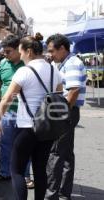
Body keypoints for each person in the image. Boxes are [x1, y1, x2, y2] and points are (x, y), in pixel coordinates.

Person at [0, 33, 63, 200]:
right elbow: (59, 96)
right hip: (47, 129)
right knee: (40, 170)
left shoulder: (24, 72)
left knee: (16, 170)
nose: (21, 55)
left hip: (27, 128)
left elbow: (6, 99)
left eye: (21, 52)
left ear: (30, 52)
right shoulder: (54, 70)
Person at [45, 34, 86, 200]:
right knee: (66, 153)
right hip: (68, 111)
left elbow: (73, 90)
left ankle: (51, 195)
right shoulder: (64, 63)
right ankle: (63, 193)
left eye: (52, 51)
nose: (50, 54)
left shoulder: (73, 63)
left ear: (62, 48)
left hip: (66, 112)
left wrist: (60, 114)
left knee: (55, 153)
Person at [0, 35, 26, 181]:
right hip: (7, 112)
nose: (5, 54)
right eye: (4, 51)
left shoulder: (26, 64)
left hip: (25, 113)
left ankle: (24, 176)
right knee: (5, 144)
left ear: (18, 50)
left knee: (23, 146)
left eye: (8, 51)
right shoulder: (3, 63)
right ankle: (4, 172)